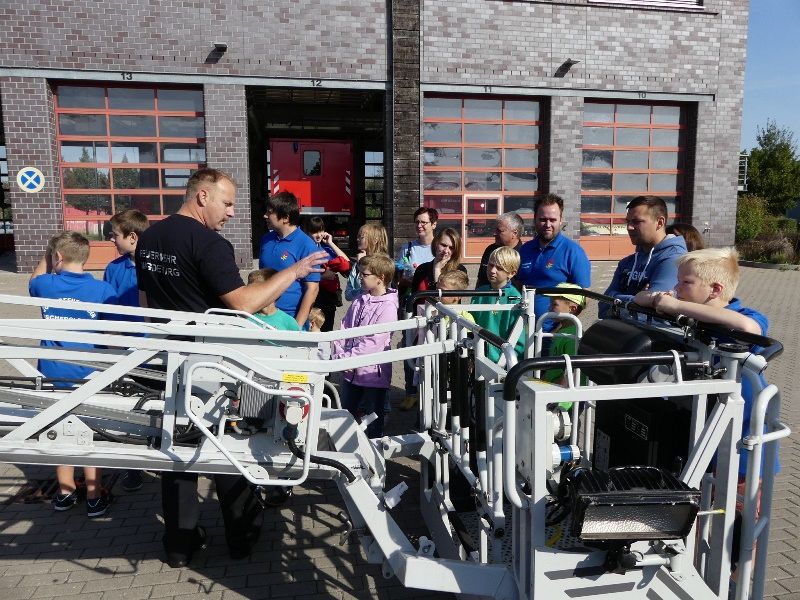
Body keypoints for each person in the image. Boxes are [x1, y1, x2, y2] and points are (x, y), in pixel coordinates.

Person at [135, 168, 327, 568]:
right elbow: (243, 303)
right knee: (229, 444)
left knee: (177, 449)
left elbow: (145, 302)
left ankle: (179, 546)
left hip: (170, 358)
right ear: (202, 196)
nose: (232, 212)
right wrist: (294, 272)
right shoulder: (209, 243)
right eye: (227, 203)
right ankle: (242, 539)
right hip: (210, 365)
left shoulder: (150, 237)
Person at [29, 231, 118, 518]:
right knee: (90, 429)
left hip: (53, 372)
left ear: (57, 257)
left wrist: (48, 258)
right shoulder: (102, 289)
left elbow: (33, 280)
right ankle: (94, 496)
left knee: (59, 428)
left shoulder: (45, 285)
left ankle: (65, 493)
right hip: (90, 373)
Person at [103, 208, 149, 493]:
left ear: (132, 237)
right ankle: (133, 464)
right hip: (127, 349)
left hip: (158, 347)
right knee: (129, 404)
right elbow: (106, 309)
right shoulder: (113, 269)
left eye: (115, 235)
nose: (111, 240)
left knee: (159, 402)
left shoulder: (155, 265)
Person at [332, 254, 398, 438]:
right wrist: (339, 352)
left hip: (372, 375)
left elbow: (374, 342)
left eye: (365, 274)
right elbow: (344, 327)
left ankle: (375, 451)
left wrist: (345, 358)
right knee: (346, 417)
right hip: (350, 372)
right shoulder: (359, 300)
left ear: (380, 278)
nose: (360, 277)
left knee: (373, 420)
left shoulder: (388, 307)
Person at [401, 227, 468, 410]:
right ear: (436, 243)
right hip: (421, 323)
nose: (446, 251)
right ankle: (412, 393)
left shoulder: (459, 270)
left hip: (445, 328)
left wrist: (438, 269)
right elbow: (415, 297)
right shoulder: (423, 269)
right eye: (443, 245)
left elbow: (441, 298)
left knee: (438, 369)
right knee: (412, 360)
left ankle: (438, 405)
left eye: (451, 247)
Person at [600, 195, 687, 317]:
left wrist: (615, 297)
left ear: (660, 222)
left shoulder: (674, 259)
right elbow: (602, 306)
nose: (629, 227)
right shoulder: (626, 262)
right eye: (628, 222)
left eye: (636, 222)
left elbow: (655, 312)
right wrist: (638, 298)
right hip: (618, 327)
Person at [516, 195, 591, 332]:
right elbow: (518, 284)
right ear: (535, 219)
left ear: (561, 220)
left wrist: (561, 328)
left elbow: (584, 296)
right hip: (522, 330)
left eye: (553, 220)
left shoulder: (573, 252)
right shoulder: (525, 249)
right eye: (543, 219)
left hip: (552, 334)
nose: (547, 225)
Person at [258, 192, 321, 328]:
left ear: (286, 218)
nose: (265, 216)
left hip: (289, 318)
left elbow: (312, 289)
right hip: (263, 316)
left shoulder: (306, 245)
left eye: (270, 212)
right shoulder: (266, 240)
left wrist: (296, 326)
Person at [471, 246, 525, 364]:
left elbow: (519, 342)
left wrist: (507, 364)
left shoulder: (515, 299)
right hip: (477, 357)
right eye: (490, 265)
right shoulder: (479, 292)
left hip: (502, 363)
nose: (492, 270)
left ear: (512, 273)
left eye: (499, 268)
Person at [540, 283, 588, 403]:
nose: (549, 308)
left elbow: (571, 372)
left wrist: (556, 400)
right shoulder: (562, 330)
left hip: (564, 401)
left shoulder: (573, 336)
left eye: (554, 304)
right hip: (552, 391)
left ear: (572, 309)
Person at [303, 217, 349, 331]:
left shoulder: (327, 249)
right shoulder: (303, 250)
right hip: (311, 297)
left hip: (328, 299)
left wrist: (331, 243)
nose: (318, 235)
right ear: (307, 232)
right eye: (314, 232)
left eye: (321, 230)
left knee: (327, 330)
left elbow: (346, 263)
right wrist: (323, 277)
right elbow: (298, 277)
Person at [396, 207, 438, 299]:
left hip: (433, 298)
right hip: (412, 299)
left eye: (423, 222)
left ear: (434, 224)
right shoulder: (407, 248)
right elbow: (398, 276)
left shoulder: (441, 248)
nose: (419, 225)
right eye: (417, 222)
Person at [476, 212, 525, 289]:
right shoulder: (490, 250)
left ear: (514, 233)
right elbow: (481, 279)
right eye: (495, 229)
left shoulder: (524, 254)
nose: (494, 233)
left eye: (500, 231)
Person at [345, 223, 389, 301]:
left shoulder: (384, 264)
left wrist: (362, 266)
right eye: (357, 237)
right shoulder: (358, 263)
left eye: (361, 237)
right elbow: (348, 295)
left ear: (375, 240)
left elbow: (375, 292)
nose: (357, 239)